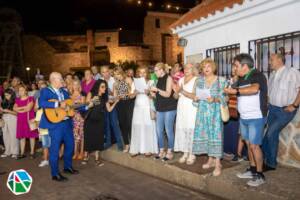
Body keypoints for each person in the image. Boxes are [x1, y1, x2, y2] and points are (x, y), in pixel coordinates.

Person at [224, 53, 268, 187]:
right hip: (244, 117)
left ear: (244, 65)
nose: (234, 68)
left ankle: (260, 175)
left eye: (236, 65)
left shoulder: (257, 75)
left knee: (254, 146)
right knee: (248, 144)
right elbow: (232, 89)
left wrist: (235, 91)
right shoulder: (242, 78)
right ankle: (253, 170)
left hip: (256, 117)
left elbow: (254, 89)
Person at [262, 53, 300, 171]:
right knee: (269, 134)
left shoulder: (292, 72)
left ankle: (271, 163)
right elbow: (270, 93)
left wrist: (294, 105)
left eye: (271, 59)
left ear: (279, 59)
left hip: (285, 110)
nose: (269, 62)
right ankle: (265, 160)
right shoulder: (272, 75)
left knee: (270, 133)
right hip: (272, 109)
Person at [39, 72, 78, 182]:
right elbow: (41, 103)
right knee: (55, 150)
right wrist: (57, 104)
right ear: (53, 80)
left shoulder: (64, 92)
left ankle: (67, 167)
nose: (63, 81)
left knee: (70, 145)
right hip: (55, 125)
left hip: (66, 124)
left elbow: (69, 106)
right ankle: (55, 174)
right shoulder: (46, 91)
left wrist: (86, 105)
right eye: (61, 79)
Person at [192, 58, 227, 176]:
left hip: (215, 113)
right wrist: (196, 98)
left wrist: (215, 99)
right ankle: (210, 160)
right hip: (202, 112)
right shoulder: (199, 81)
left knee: (215, 136)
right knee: (206, 135)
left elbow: (226, 97)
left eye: (208, 66)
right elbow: (196, 97)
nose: (206, 69)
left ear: (213, 67)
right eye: (204, 67)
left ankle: (218, 164)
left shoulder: (221, 81)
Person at [82, 80, 119, 166]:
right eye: (102, 86)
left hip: (100, 120)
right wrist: (92, 101)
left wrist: (115, 102)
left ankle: (97, 158)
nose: (104, 88)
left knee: (99, 139)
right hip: (90, 119)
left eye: (105, 87)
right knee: (88, 137)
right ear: (97, 86)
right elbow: (86, 106)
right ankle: (86, 155)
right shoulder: (91, 94)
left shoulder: (104, 97)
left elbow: (109, 110)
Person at [150, 62, 177, 161]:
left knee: (169, 130)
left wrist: (156, 90)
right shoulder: (157, 80)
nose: (155, 72)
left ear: (162, 70)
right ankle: (161, 150)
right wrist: (152, 94)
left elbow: (168, 94)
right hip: (160, 108)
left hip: (170, 107)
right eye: (154, 71)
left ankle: (170, 151)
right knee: (159, 130)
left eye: (156, 70)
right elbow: (158, 95)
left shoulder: (168, 78)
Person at [129, 66, 158, 156]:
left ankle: (148, 149)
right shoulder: (135, 83)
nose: (142, 74)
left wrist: (148, 93)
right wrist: (135, 93)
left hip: (147, 107)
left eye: (144, 72)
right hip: (138, 107)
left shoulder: (151, 82)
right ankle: (136, 149)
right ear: (138, 73)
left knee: (147, 126)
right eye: (140, 72)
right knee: (137, 126)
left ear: (147, 73)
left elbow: (154, 96)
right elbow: (130, 96)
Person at [173, 63, 198, 165]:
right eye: (185, 68)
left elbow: (195, 96)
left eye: (189, 68)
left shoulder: (196, 80)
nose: (186, 69)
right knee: (182, 129)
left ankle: (192, 154)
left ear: (193, 69)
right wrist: (176, 92)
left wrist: (182, 91)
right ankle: (185, 152)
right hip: (181, 107)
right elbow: (175, 96)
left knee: (190, 129)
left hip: (191, 108)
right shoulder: (181, 80)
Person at [100, 65, 123, 151]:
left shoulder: (114, 79)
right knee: (106, 125)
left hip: (113, 103)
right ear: (101, 73)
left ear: (109, 71)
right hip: (104, 105)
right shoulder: (100, 81)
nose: (105, 74)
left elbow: (117, 95)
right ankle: (108, 142)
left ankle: (120, 144)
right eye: (103, 72)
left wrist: (110, 92)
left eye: (106, 71)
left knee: (114, 124)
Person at [114, 67, 136, 153]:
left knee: (130, 124)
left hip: (129, 103)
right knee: (122, 125)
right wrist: (116, 97)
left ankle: (134, 144)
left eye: (118, 74)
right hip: (120, 105)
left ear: (121, 73)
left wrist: (126, 95)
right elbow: (115, 96)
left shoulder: (128, 79)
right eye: (115, 75)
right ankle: (127, 144)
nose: (117, 76)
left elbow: (133, 93)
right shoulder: (115, 84)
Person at [14, 84, 38, 159]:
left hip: (29, 119)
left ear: (26, 91)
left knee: (31, 136)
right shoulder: (17, 99)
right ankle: (22, 153)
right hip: (21, 120)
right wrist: (23, 108)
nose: (20, 92)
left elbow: (28, 108)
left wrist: (20, 109)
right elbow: (14, 109)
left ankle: (32, 153)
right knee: (22, 137)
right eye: (19, 90)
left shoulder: (30, 98)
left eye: (22, 90)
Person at [0, 89, 19, 159]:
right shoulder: (4, 101)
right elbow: (2, 112)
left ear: (12, 94)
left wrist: (8, 111)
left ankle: (15, 152)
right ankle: (7, 151)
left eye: (8, 95)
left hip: (13, 118)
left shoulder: (16, 101)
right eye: (5, 95)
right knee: (5, 135)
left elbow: (17, 113)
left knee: (13, 135)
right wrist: (1, 112)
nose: (6, 96)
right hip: (4, 117)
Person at [70, 80, 86, 160]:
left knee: (81, 134)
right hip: (73, 117)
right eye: (74, 84)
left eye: (77, 84)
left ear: (79, 85)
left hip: (80, 117)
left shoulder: (82, 94)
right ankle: (75, 152)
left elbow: (83, 105)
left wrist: (73, 105)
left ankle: (81, 152)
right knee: (75, 135)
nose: (75, 86)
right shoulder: (70, 95)